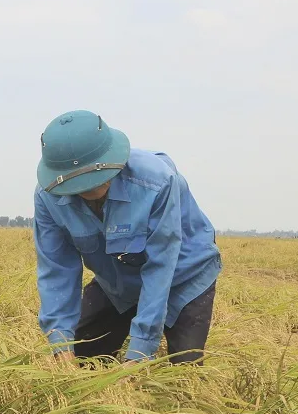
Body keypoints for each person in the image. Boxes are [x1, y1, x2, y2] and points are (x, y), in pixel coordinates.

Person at [33, 110, 222, 365]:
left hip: (182, 274)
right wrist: (61, 342)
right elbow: (57, 269)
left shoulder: (156, 181)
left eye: (95, 180)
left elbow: (161, 265)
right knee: (80, 355)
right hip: (117, 280)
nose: (90, 189)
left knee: (183, 366)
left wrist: (140, 352)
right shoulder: (49, 197)